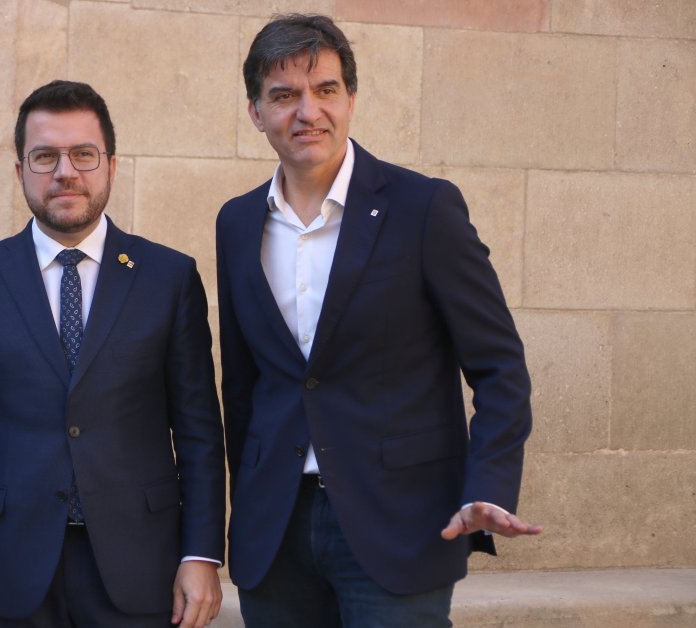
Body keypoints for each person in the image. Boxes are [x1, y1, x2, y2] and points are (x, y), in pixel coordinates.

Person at [216, 14, 543, 627]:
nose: (306, 111)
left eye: (326, 90)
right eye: (283, 95)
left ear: (352, 99)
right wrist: (242, 509)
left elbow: (501, 368)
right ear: (257, 113)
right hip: (275, 530)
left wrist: (488, 485)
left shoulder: (424, 209)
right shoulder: (235, 224)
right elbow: (243, 386)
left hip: (400, 524)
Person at [0, 80, 226, 628]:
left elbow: (200, 431)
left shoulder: (169, 277)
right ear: (20, 171)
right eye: (45, 156)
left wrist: (201, 554)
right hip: (7, 566)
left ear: (111, 165)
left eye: (83, 154)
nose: (65, 172)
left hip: (140, 563)